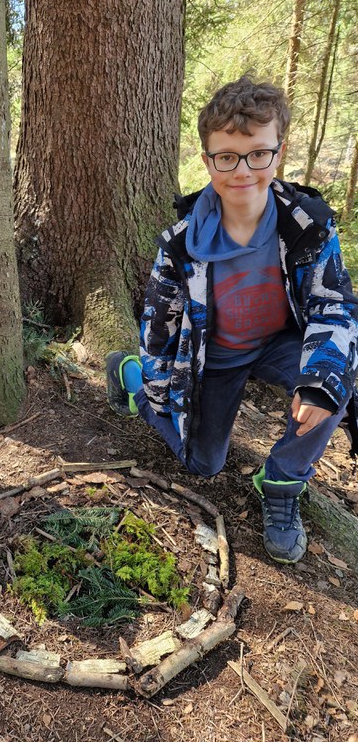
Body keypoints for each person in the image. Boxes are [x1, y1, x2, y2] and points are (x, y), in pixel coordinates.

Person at [107, 75, 358, 564]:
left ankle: (283, 483)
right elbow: (160, 329)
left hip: (279, 343)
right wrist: (156, 384)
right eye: (227, 157)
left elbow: (335, 305)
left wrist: (319, 382)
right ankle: (130, 379)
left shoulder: (307, 226)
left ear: (278, 153)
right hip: (213, 358)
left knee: (336, 379)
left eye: (258, 154)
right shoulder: (180, 244)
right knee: (203, 463)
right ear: (207, 161)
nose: (243, 170)